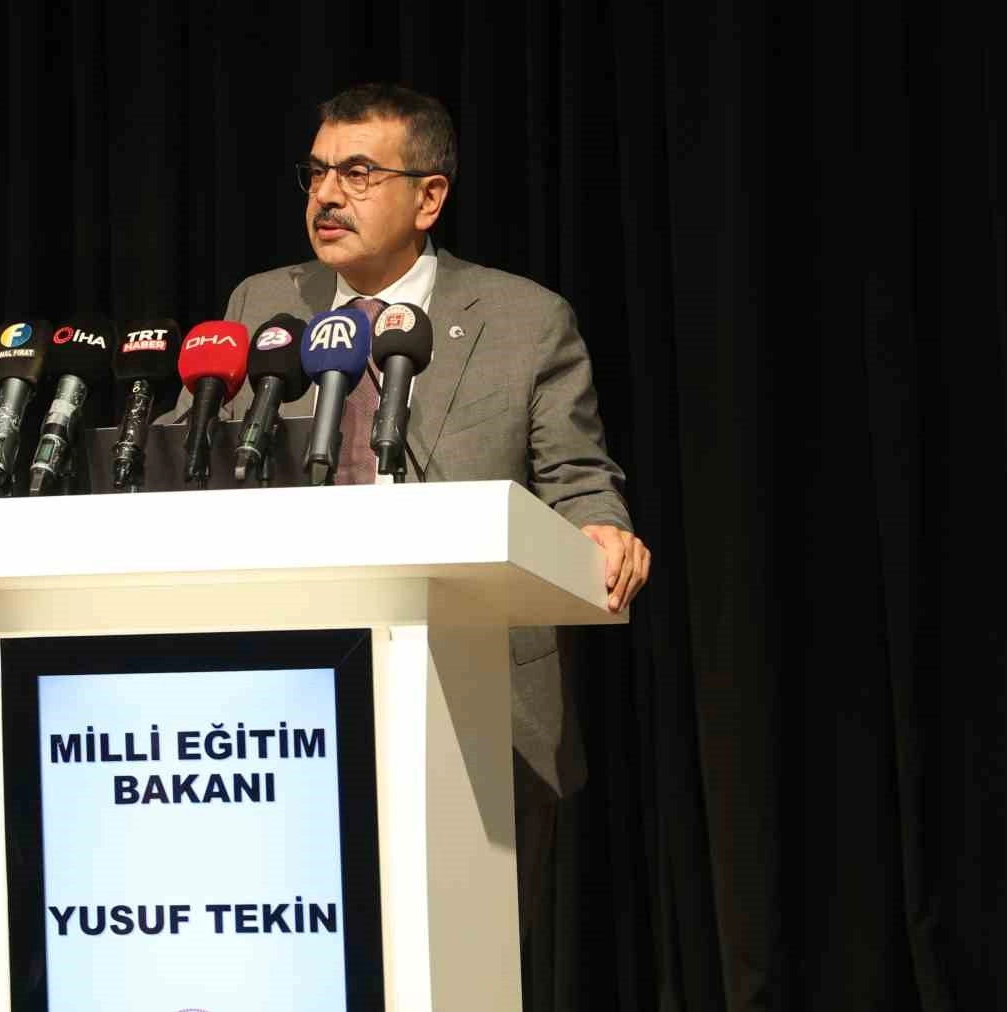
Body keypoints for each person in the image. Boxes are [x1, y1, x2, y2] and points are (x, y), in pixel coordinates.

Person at [174, 81, 650, 949]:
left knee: (469, 960)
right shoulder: (263, 304)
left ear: (429, 197)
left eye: (358, 173)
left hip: (477, 691)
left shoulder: (524, 320)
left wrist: (600, 526)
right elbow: (190, 449)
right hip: (283, 689)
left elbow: (576, 475)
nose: (327, 195)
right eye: (317, 172)